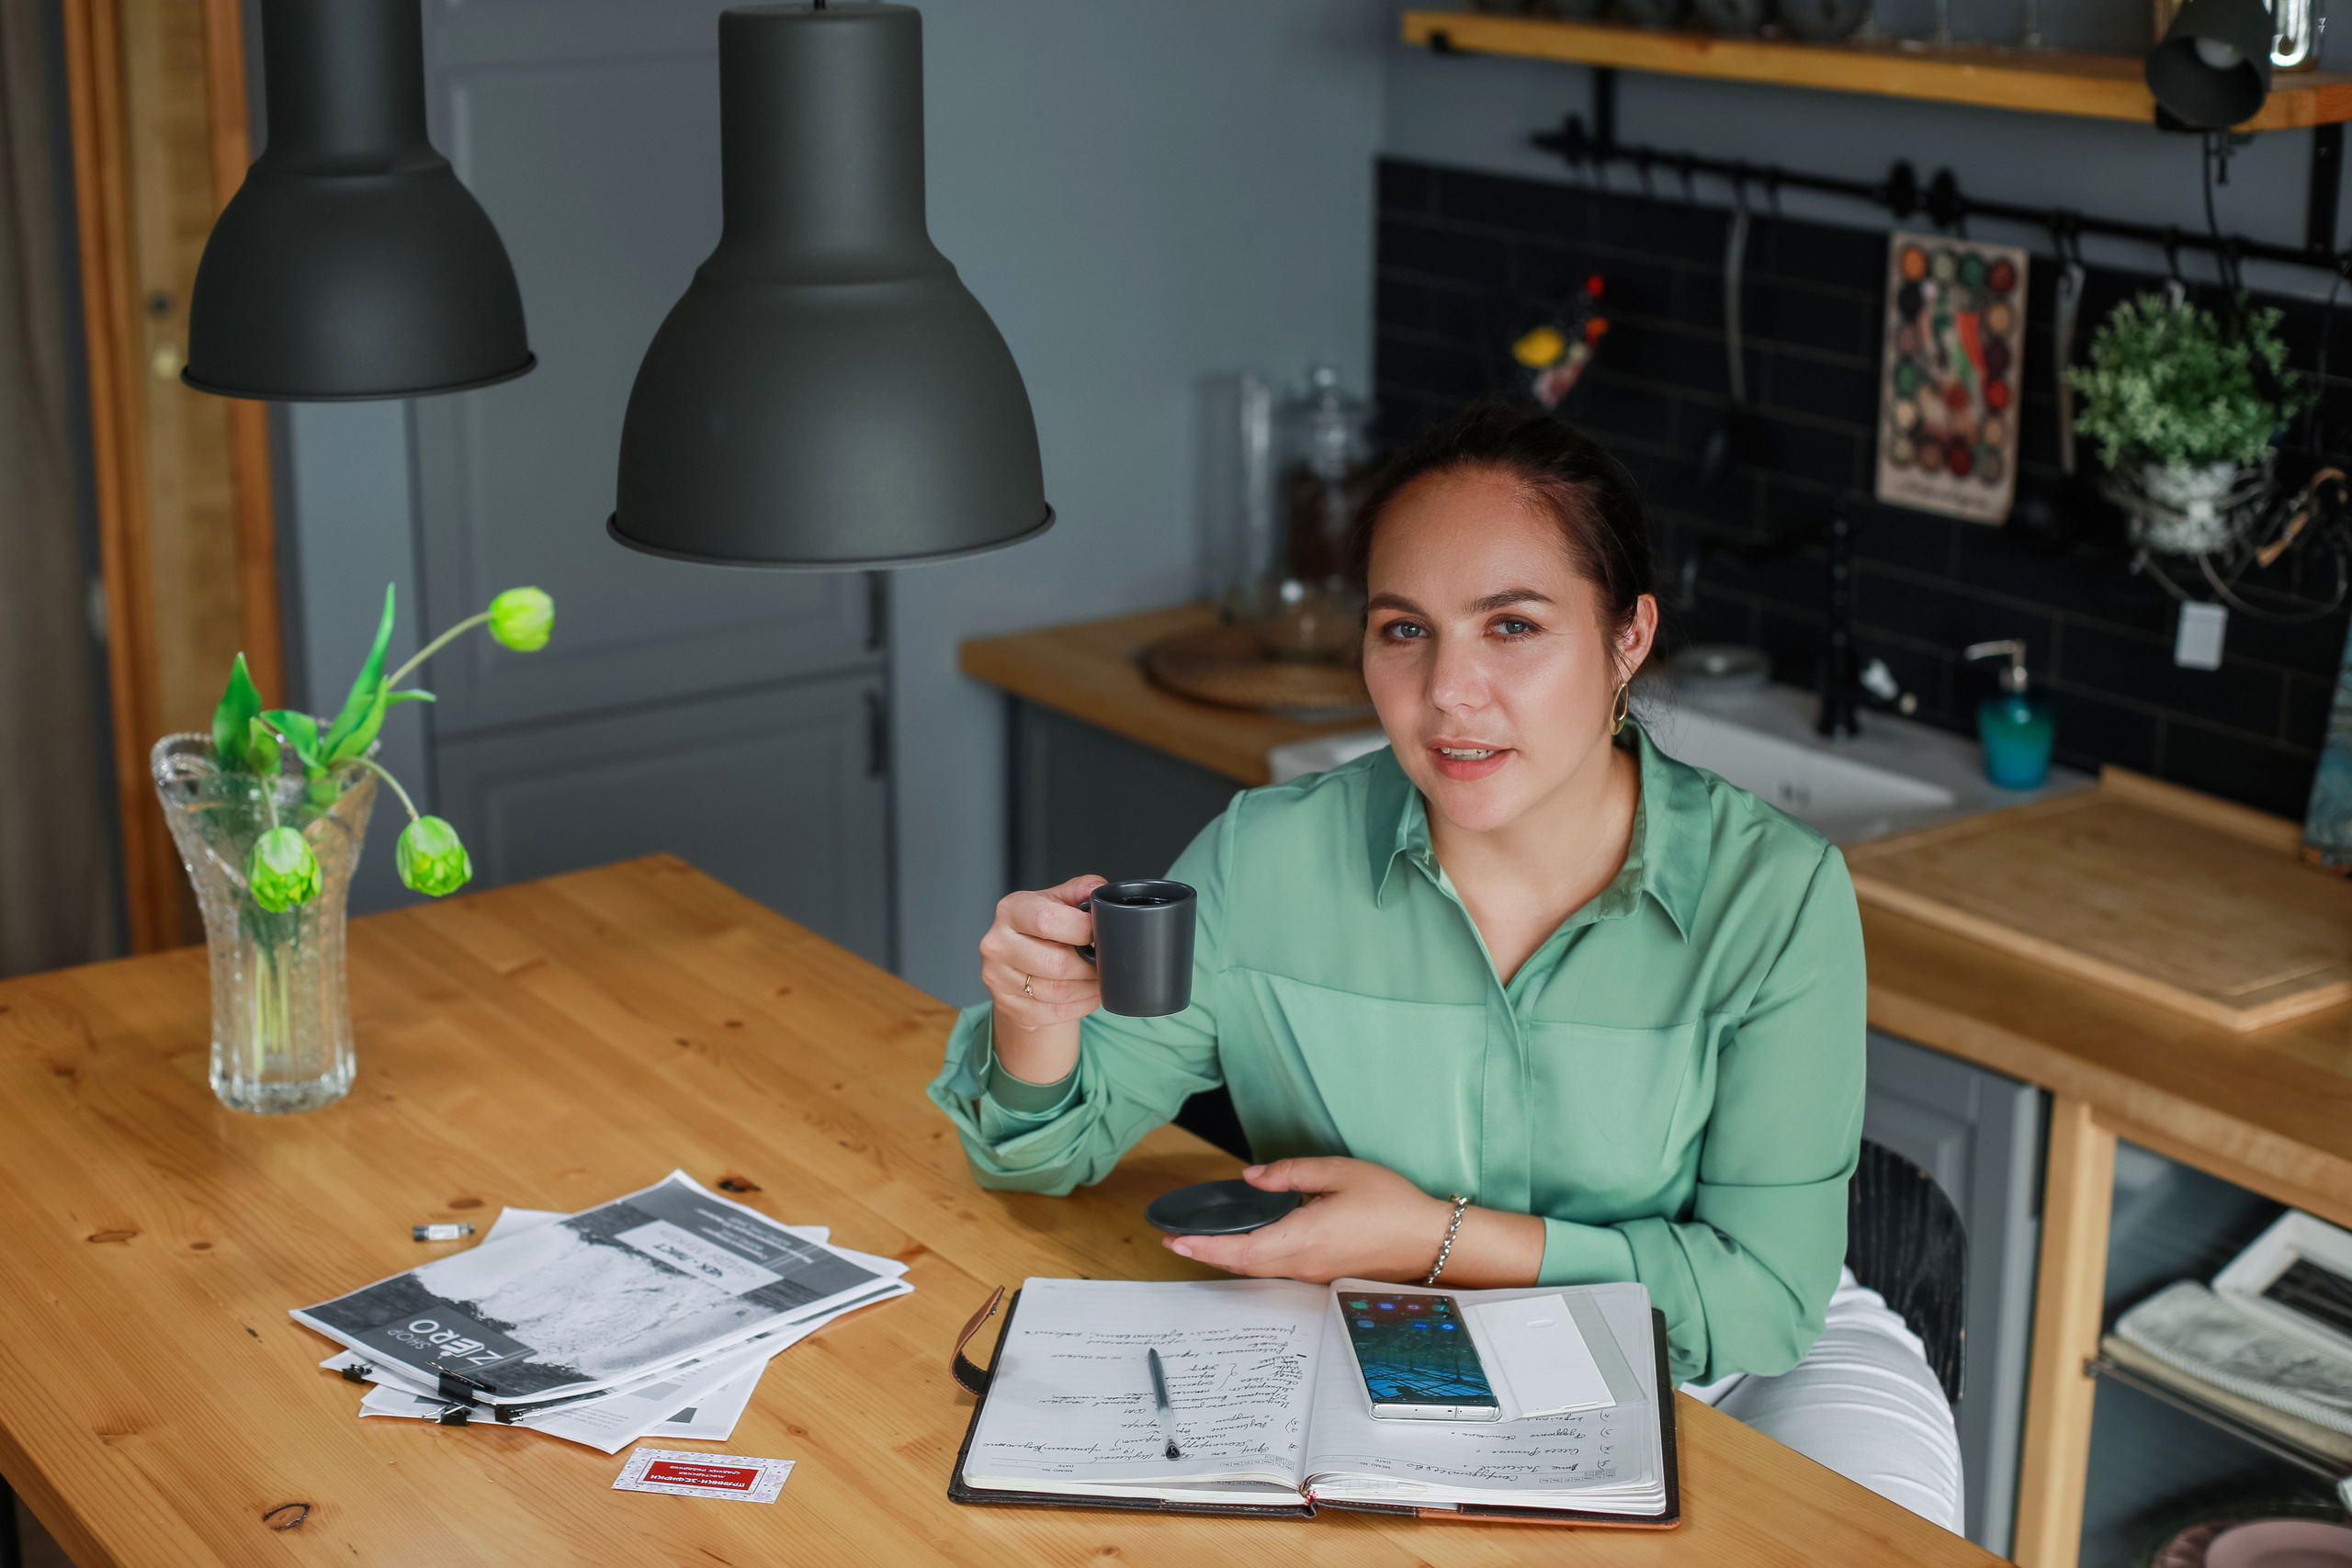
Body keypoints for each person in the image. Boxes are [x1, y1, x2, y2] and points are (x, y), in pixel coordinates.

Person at [926, 400, 1964, 1533]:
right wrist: (1035, 1013)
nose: (1447, 695)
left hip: (1723, 1372)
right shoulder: (1264, 859)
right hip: (1393, 1356)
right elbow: (1044, 1157)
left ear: (1629, 637)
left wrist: (1435, 1236)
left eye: (1511, 627)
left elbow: (1762, 1307)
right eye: (1404, 630)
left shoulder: (1775, 895)